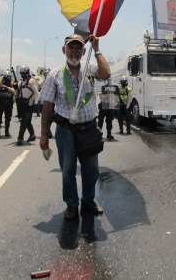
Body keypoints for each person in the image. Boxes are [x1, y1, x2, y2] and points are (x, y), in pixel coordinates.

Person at [39, 33, 110, 221]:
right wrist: (44, 135)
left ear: (83, 50)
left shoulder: (90, 68)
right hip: (65, 131)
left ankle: (88, 200)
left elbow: (106, 74)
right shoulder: (55, 75)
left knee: (91, 169)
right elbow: (47, 106)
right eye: (71, 47)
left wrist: (97, 49)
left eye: (79, 47)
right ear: (64, 50)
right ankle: (71, 204)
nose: (75, 51)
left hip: (89, 130)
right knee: (68, 170)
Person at [16, 65, 39, 145]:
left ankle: (20, 137)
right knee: (27, 121)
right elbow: (18, 94)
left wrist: (35, 103)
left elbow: (36, 93)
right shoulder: (20, 83)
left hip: (30, 104)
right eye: (21, 73)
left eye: (23, 73)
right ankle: (32, 135)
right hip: (22, 105)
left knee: (24, 121)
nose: (22, 74)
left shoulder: (31, 82)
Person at [0, 72, 16, 138]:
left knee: (8, 119)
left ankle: (7, 131)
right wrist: (0, 87)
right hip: (0, 104)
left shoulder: (12, 84)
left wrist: (7, 87)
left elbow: (14, 92)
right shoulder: (0, 84)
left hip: (8, 104)